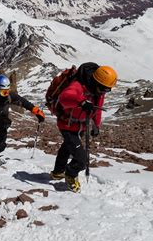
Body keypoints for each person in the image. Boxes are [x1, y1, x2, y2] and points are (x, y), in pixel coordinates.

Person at [50, 65, 117, 193]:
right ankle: (70, 174)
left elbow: (97, 110)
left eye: (107, 90)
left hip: (80, 126)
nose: (104, 92)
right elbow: (64, 97)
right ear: (97, 82)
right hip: (67, 125)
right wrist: (81, 101)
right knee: (81, 159)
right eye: (104, 89)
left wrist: (96, 125)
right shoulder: (78, 85)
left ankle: (57, 172)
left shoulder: (98, 92)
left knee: (67, 148)